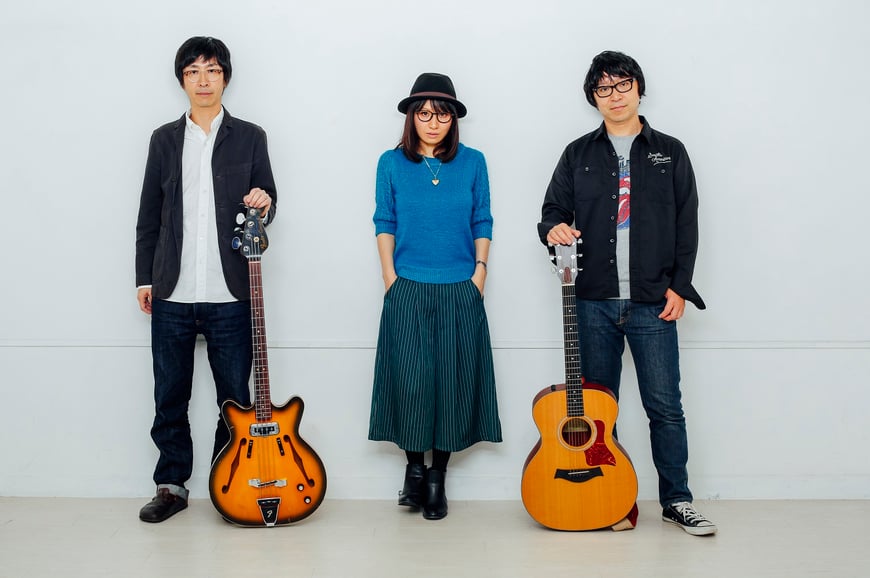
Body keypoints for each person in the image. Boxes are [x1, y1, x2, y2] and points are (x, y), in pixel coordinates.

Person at [537, 51, 716, 536]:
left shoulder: (670, 152)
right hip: (592, 301)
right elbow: (552, 212)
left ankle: (677, 501)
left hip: (653, 302)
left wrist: (680, 286)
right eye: (603, 88)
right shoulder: (577, 154)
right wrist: (553, 228)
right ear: (593, 98)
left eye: (622, 85)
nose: (614, 96)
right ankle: (610, 499)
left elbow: (687, 224)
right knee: (598, 413)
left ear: (638, 89)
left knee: (665, 407)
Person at [134, 36, 277, 523]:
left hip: (231, 291)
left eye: (212, 70)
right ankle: (171, 486)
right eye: (193, 71)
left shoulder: (251, 136)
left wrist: (264, 201)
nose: (203, 80)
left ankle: (227, 483)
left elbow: (268, 198)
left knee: (234, 400)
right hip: (172, 289)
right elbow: (149, 215)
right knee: (169, 396)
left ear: (225, 78)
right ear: (182, 80)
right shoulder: (163, 139)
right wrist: (144, 279)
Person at [369, 73, 502, 520]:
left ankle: (436, 479)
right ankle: (413, 470)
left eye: (442, 115)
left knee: (451, 383)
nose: (432, 123)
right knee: (410, 381)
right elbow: (384, 220)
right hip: (407, 284)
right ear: (411, 117)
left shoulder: (473, 162)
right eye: (424, 114)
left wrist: (479, 273)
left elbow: (482, 219)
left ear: (453, 120)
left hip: (460, 286)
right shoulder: (391, 163)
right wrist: (390, 276)